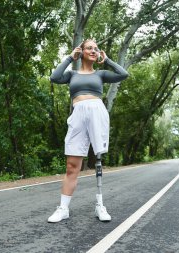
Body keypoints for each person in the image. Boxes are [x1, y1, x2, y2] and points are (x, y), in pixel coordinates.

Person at [47, 39, 129, 223]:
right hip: (78, 114)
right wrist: (70, 57)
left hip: (97, 111)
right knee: (71, 165)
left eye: (96, 49)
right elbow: (54, 77)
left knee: (98, 159)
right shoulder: (72, 74)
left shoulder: (100, 74)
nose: (93, 50)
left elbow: (124, 74)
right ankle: (63, 208)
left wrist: (107, 60)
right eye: (89, 48)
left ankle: (100, 206)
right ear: (81, 51)